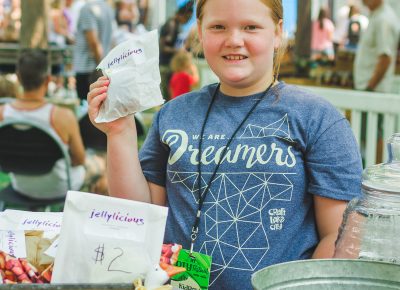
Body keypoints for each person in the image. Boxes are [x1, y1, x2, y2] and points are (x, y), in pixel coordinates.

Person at [87, 0, 362, 289]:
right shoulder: (173, 115)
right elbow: (139, 218)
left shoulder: (317, 118)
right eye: (218, 27)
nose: (234, 40)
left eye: (251, 27)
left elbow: (340, 237)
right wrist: (119, 134)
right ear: (201, 34)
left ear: (278, 33)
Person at [0, 50, 107, 199]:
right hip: (61, 186)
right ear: (48, 79)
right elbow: (79, 160)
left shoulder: (2, 114)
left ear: (18, 77)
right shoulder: (62, 117)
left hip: (21, 186)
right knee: (104, 164)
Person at [354, 0, 400, 93]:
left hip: (373, 91)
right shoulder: (376, 16)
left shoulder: (383, 20)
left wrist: (369, 88)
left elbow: (385, 59)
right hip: (368, 89)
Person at [73, 0, 114, 102]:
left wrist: (99, 66)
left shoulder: (87, 9)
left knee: (87, 109)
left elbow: (93, 42)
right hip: (102, 67)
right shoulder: (107, 8)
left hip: (89, 69)